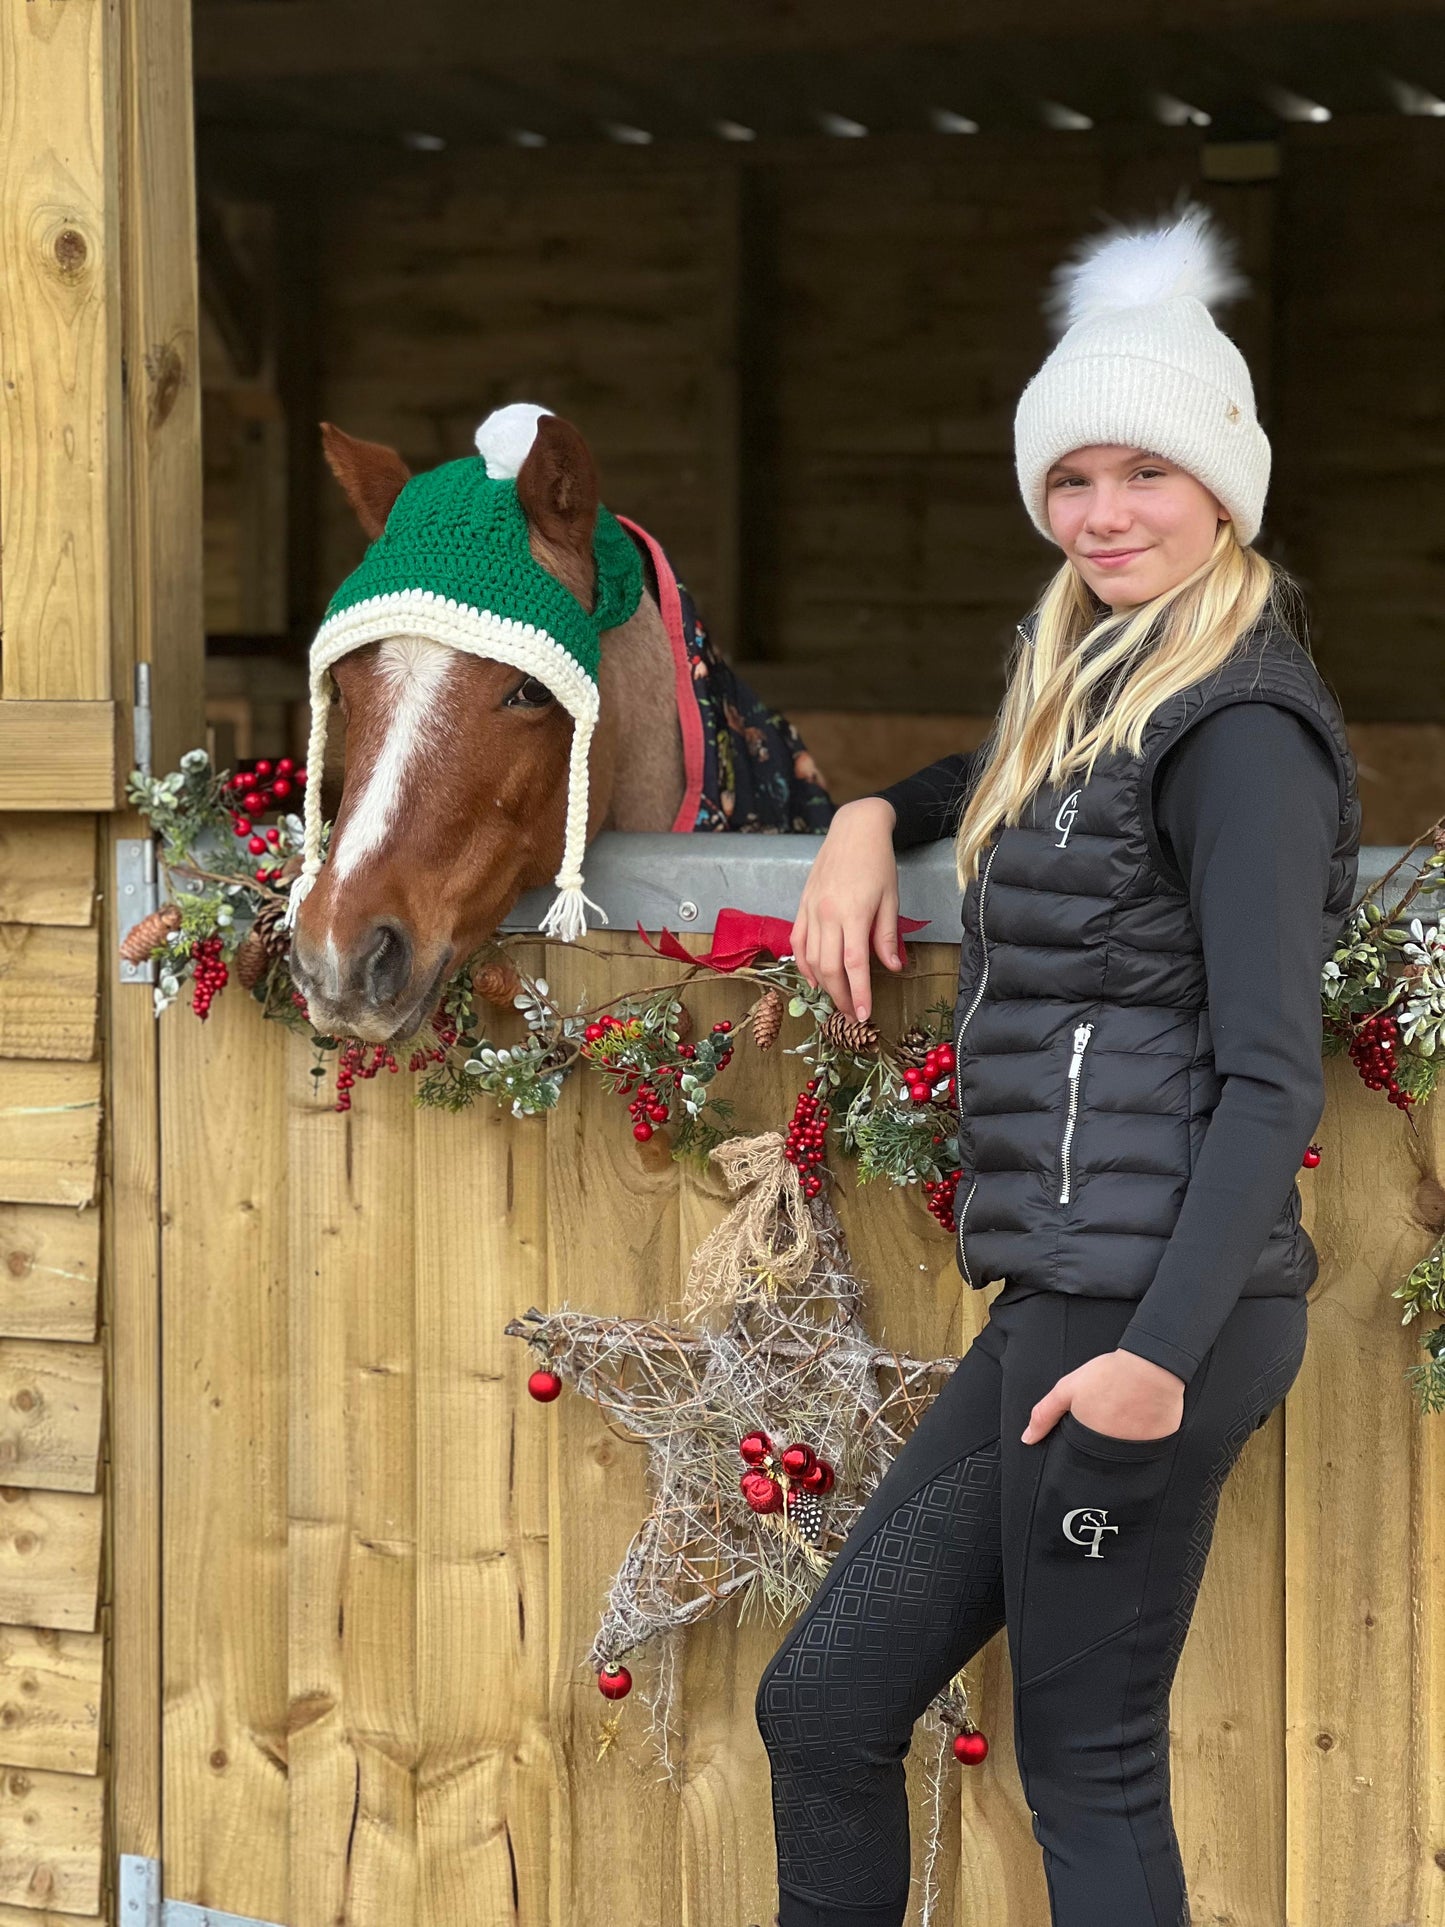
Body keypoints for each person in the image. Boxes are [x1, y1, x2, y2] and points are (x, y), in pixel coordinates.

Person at [754, 203, 1362, 1927]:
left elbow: (1268, 1078)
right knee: (823, 1706)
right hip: (1063, 1300)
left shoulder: (1240, 731)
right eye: (1072, 478)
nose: (1104, 514)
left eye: (1145, 476)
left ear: (1222, 489)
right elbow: (999, 772)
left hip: (1149, 1316)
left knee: (1086, 1773)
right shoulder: (1093, 679)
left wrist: (1156, 1361)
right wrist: (871, 813)